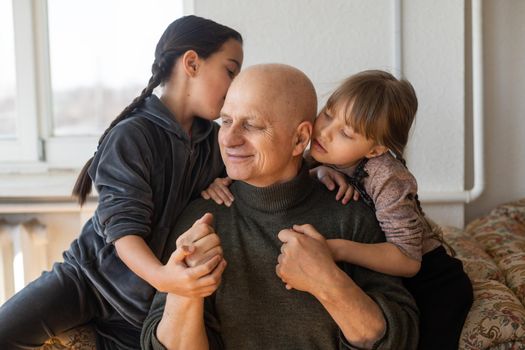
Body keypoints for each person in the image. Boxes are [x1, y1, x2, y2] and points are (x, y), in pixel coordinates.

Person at [0, 15, 243, 349]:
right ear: (192, 63)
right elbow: (123, 232)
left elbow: (258, 171)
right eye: (231, 71)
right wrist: (165, 278)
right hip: (87, 282)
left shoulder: (213, 141)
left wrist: (317, 171)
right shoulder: (133, 135)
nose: (236, 85)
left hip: (142, 311)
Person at [141, 64, 419, 350]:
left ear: (300, 139)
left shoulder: (351, 210)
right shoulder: (200, 218)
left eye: (251, 125)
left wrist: (328, 283)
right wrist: (185, 292)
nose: (229, 139)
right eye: (225, 121)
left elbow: (401, 339)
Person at [305, 70, 473, 350]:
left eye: (346, 132)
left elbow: (408, 260)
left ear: (375, 149)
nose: (325, 131)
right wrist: (317, 173)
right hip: (382, 280)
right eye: (329, 113)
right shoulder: (318, 155)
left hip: (433, 282)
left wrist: (335, 250)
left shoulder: (387, 176)